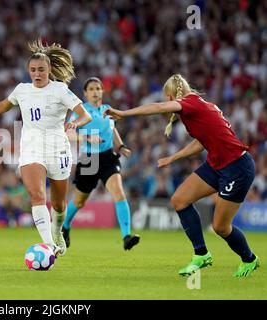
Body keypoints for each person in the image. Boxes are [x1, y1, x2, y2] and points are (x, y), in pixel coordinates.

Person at [105, 74, 259, 278]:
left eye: (167, 99)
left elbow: (158, 108)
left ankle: (249, 259)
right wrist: (173, 158)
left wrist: (124, 113)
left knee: (220, 227)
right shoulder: (200, 108)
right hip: (217, 164)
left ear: (171, 97)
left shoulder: (191, 103)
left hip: (237, 167)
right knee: (179, 200)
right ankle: (201, 254)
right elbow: (202, 141)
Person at [0, 39, 92, 256]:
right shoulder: (22, 90)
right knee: (37, 194)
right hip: (31, 149)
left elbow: (85, 115)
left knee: (59, 205)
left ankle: (57, 230)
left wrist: (75, 123)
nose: (37, 74)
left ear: (49, 69)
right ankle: (49, 244)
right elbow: (4, 105)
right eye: (33, 70)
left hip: (58, 148)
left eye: (41, 69)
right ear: (28, 71)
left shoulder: (60, 90)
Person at [63, 77, 140, 250]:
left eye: (98, 88)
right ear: (85, 93)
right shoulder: (81, 111)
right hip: (89, 159)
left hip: (107, 158)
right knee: (80, 201)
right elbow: (68, 133)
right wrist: (87, 137)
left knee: (119, 193)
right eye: (91, 88)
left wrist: (120, 146)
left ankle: (126, 236)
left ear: (102, 91)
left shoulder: (107, 110)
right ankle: (65, 226)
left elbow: (112, 128)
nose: (95, 91)